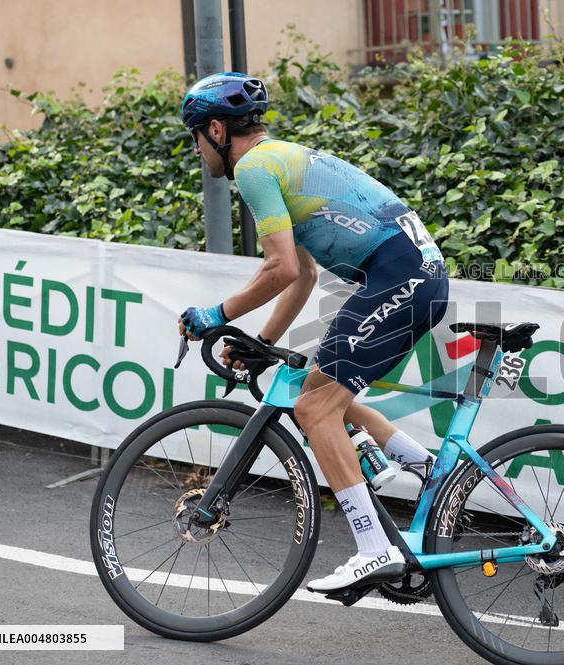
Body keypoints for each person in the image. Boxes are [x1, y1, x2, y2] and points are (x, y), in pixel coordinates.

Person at [176, 72, 449, 593]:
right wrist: (259, 342)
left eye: (194, 138)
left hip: (401, 278)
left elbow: (276, 269)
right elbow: (301, 275)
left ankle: (373, 549)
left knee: (312, 410)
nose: (196, 151)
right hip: (411, 275)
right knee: (319, 395)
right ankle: (431, 471)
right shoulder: (278, 159)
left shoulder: (255, 168)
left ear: (215, 129)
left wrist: (216, 314)